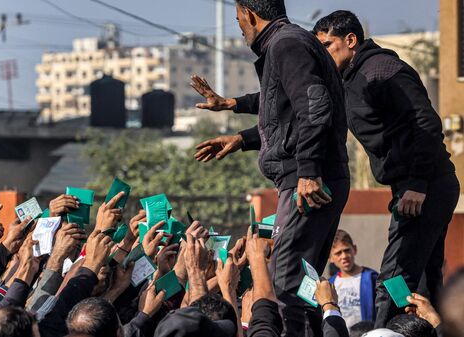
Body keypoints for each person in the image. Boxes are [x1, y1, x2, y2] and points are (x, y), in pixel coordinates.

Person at [190, 0, 350, 335]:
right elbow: (282, 107)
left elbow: (314, 106)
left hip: (307, 180)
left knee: (283, 280)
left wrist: (307, 172)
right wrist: (239, 129)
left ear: (248, 14)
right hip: (311, 176)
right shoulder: (289, 43)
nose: (240, 27)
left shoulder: (287, 44)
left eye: (238, 21)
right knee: (302, 280)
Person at [313, 10, 459, 328]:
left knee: (393, 281)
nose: (322, 53)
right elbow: (300, 101)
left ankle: (383, 334)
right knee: (423, 281)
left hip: (426, 185)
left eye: (327, 45)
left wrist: (417, 184)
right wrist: (237, 109)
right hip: (412, 186)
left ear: (350, 40)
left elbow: (426, 122)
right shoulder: (343, 80)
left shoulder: (382, 70)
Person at [328, 230, 378, 328]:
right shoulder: (330, 284)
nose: (344, 256)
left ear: (354, 249)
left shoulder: (371, 277)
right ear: (330, 258)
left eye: (347, 250)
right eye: (338, 253)